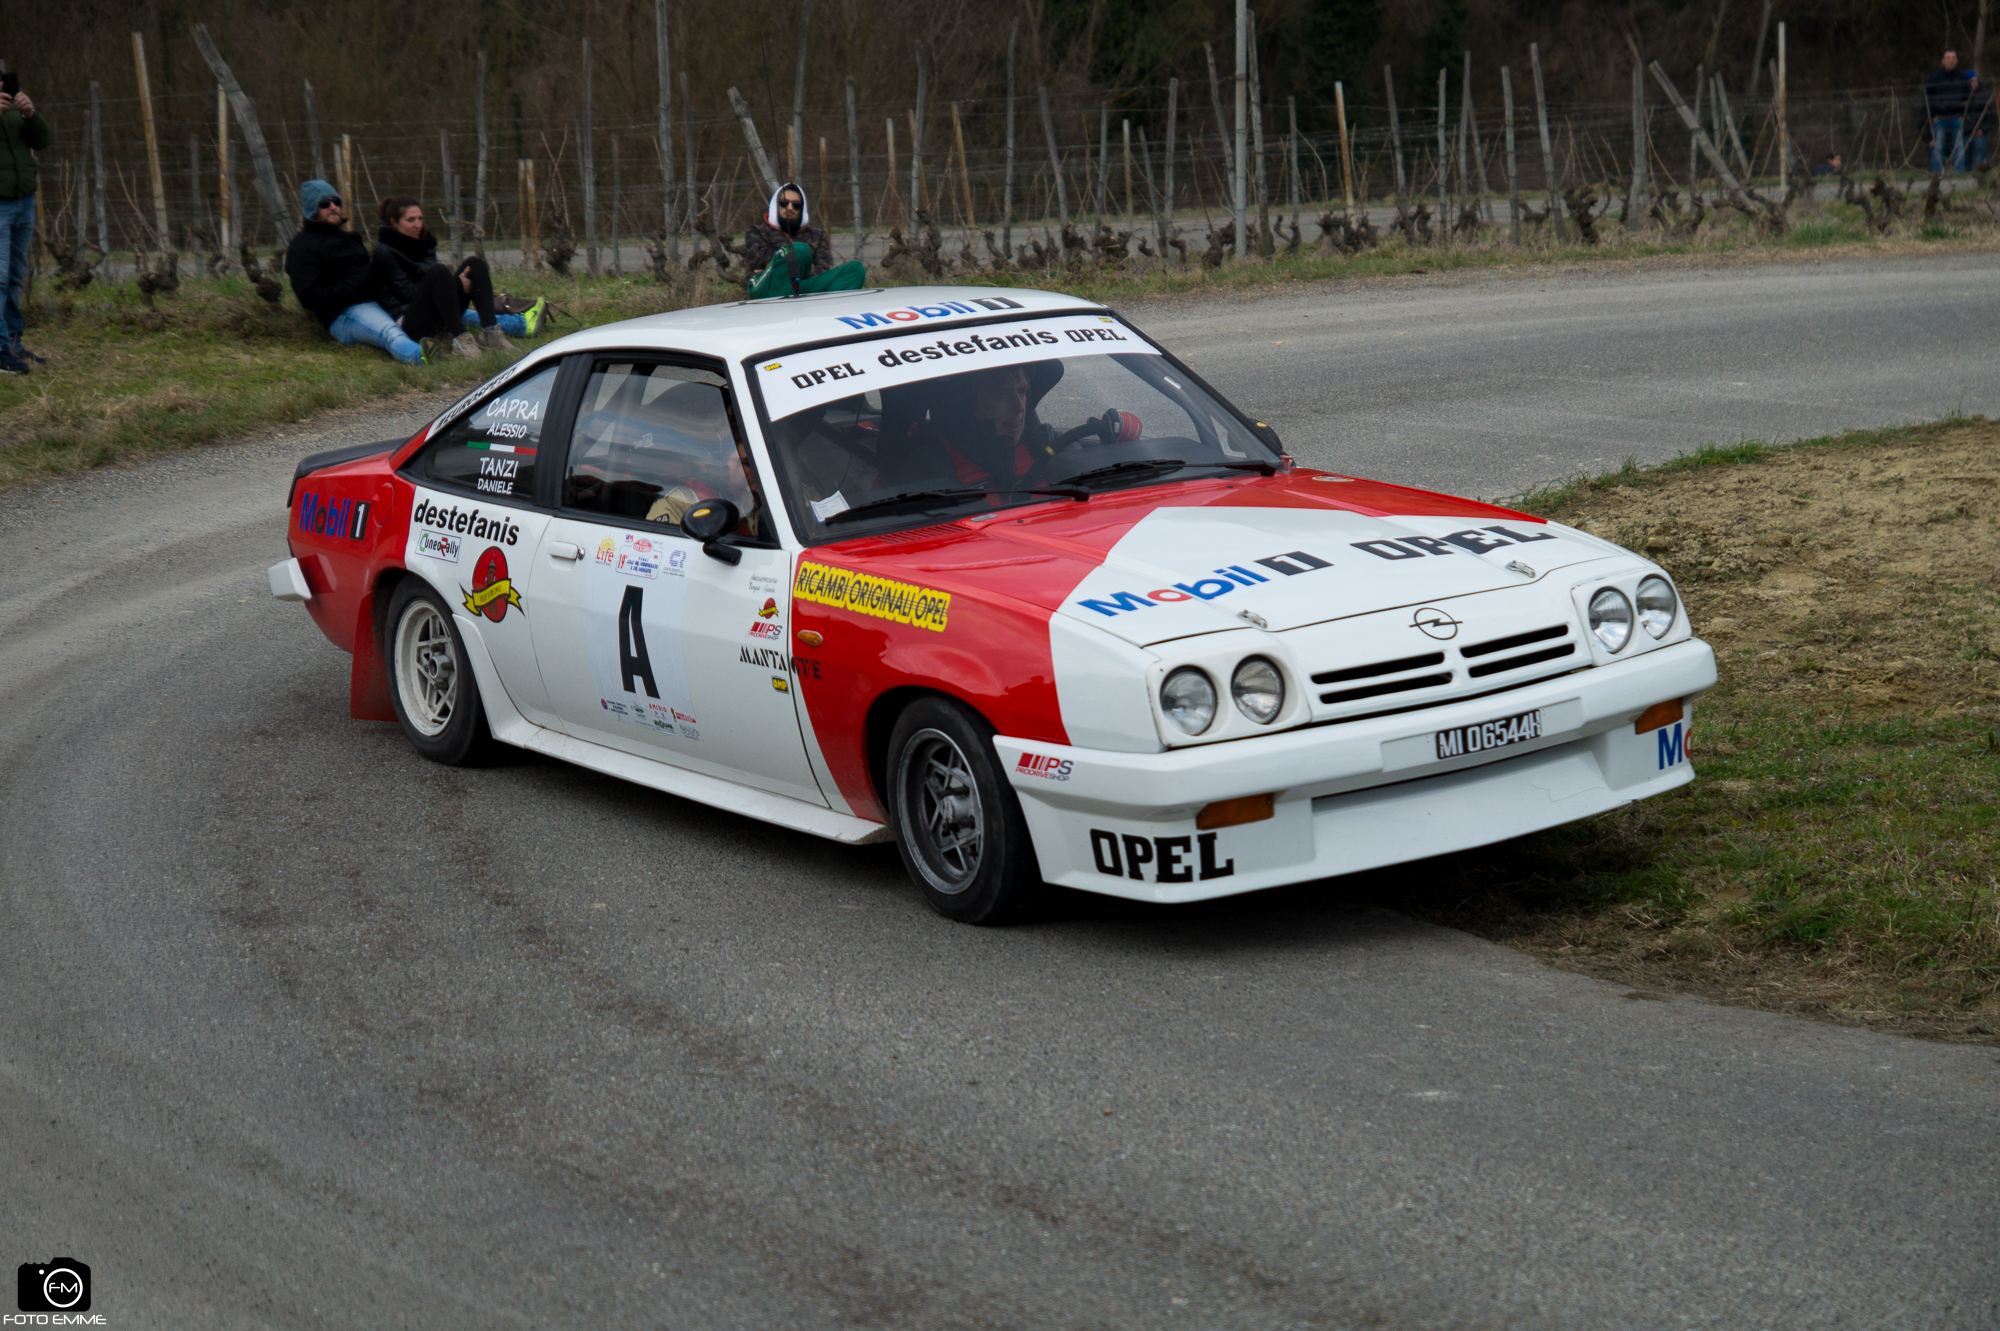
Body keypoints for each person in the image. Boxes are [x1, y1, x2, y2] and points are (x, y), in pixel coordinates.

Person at [374, 195, 540, 355]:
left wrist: (453, 285)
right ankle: (460, 340)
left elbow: (433, 284)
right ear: (394, 223)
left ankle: (490, 333)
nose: (418, 224)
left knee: (475, 264)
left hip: (438, 313)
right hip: (410, 322)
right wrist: (456, 285)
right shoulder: (384, 252)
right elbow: (408, 294)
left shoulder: (423, 243)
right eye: (411, 220)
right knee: (440, 271)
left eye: (420, 218)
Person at [285, 180, 426, 364]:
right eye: (325, 204)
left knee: (432, 303)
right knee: (389, 332)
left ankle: (474, 322)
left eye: (336, 202)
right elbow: (309, 297)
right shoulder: (303, 247)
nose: (333, 207)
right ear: (312, 209)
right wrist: (353, 285)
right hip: (344, 314)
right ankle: (422, 357)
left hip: (377, 299)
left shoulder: (349, 238)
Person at [0, 71, 54, 377]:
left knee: (16, 275)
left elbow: (43, 140)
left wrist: (30, 114)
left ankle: (12, 343)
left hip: (24, 201)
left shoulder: (13, 109)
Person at [743, 182, 865, 300]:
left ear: (802, 209)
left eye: (796, 205)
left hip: (802, 287)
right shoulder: (756, 232)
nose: (790, 208)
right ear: (775, 206)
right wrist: (804, 265)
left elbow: (822, 270)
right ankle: (807, 302)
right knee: (799, 250)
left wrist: (788, 266)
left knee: (856, 269)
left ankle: (799, 304)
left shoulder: (817, 236)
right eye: (784, 203)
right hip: (767, 288)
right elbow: (759, 259)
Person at [1925, 50, 1978, 174]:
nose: (1951, 60)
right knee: (1938, 147)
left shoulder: (1962, 77)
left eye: (1953, 57)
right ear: (1943, 61)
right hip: (1940, 118)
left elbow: (1969, 97)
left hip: (1956, 118)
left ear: (1957, 60)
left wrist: (1964, 114)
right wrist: (1932, 115)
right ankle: (1937, 173)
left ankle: (1959, 173)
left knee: (1959, 146)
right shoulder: (1934, 77)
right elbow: (1928, 98)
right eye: (1948, 58)